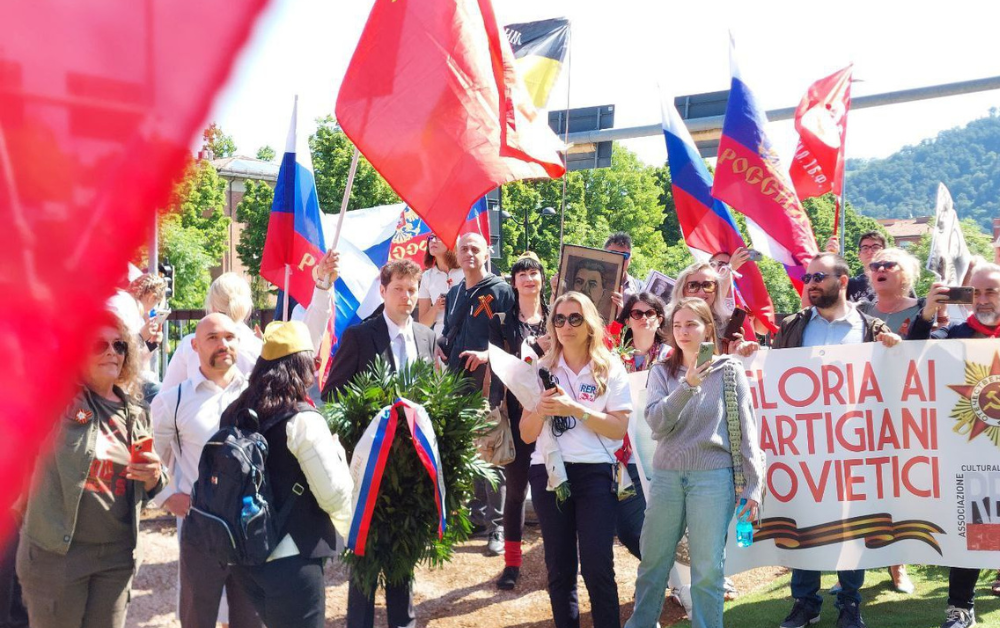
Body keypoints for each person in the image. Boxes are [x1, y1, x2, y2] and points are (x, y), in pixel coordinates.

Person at [773, 253, 900, 628]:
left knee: (853, 522)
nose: (810, 283)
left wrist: (896, 350)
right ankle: (805, 601)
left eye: (818, 276)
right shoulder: (793, 326)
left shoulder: (870, 328)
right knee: (803, 519)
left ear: (842, 282)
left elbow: (892, 379)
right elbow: (773, 377)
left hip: (854, 443)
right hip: (803, 443)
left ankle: (850, 601)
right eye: (807, 277)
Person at [16, 312, 165, 628]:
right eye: (99, 345)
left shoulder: (137, 412)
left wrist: (155, 476)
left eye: (119, 345)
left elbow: (151, 482)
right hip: (58, 556)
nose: (112, 352)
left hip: (117, 556)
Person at [627, 298, 764, 628]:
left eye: (691, 324)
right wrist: (687, 386)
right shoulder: (661, 371)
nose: (683, 332)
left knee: (708, 570)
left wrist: (754, 486)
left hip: (713, 478)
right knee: (653, 564)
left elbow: (747, 430)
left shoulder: (728, 370)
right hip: (667, 477)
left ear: (707, 329)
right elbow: (657, 423)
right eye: (677, 325)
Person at [320, 259, 437, 628]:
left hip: (412, 470)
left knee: (404, 558)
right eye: (398, 288)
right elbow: (332, 394)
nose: (406, 296)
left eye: (412, 289)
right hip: (370, 469)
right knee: (366, 563)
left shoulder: (427, 338)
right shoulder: (359, 336)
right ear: (383, 291)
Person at [222, 321, 353, 628]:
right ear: (303, 366)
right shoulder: (303, 419)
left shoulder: (233, 413)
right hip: (292, 560)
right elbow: (334, 496)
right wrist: (339, 456)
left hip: (246, 557)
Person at [520, 292, 632, 628]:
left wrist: (576, 409)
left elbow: (618, 429)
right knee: (560, 569)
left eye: (575, 318)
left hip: (596, 473)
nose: (566, 325)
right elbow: (526, 434)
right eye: (559, 319)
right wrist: (541, 409)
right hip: (548, 472)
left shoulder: (610, 367)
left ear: (590, 323)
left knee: (598, 566)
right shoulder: (539, 369)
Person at [150, 314, 261, 628]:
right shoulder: (173, 401)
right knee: (197, 618)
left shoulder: (257, 395)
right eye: (213, 338)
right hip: (201, 529)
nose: (223, 344)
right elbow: (149, 457)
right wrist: (166, 496)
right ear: (195, 346)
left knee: (250, 620)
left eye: (229, 337)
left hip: (250, 528)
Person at [907, 262, 1000, 628]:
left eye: (990, 291)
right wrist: (927, 312)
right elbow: (912, 352)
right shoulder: (956, 333)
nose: (982, 299)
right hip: (976, 453)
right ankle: (960, 608)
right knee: (979, 534)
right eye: (975, 292)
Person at [439, 232, 514, 555]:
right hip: (457, 382)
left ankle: (497, 526)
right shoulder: (455, 292)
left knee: (492, 452)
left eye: (475, 248)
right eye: (464, 249)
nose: (469, 253)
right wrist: (439, 347)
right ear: (457, 255)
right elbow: (448, 334)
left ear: (487, 253)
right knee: (468, 451)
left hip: (487, 381)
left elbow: (512, 338)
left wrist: (487, 356)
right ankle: (476, 516)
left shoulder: (500, 291)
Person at [485, 252, 550, 588]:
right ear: (513, 282)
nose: (528, 278)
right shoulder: (501, 321)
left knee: (557, 487)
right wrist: (535, 350)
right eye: (522, 274)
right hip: (516, 414)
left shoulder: (558, 317)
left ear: (542, 279)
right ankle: (511, 564)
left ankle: (560, 559)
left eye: (533, 272)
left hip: (555, 413)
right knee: (515, 490)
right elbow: (501, 365)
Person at [108, 272, 166, 400]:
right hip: (112, 380)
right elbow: (116, 349)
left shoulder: (129, 305)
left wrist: (152, 343)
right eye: (155, 304)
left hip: (120, 378)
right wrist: (141, 337)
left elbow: (136, 359)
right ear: (151, 297)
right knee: (161, 395)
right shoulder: (124, 305)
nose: (151, 310)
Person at [417, 234, 464, 331]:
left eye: (438, 237)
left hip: (467, 333)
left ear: (452, 242)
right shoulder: (427, 276)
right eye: (430, 238)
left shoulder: (466, 271)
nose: (433, 241)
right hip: (440, 336)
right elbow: (422, 324)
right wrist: (436, 307)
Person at [824, 230, 886, 303]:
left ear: (885, 252)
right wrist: (830, 257)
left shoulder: (893, 282)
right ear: (859, 255)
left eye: (875, 247)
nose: (870, 252)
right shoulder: (850, 285)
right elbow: (827, 296)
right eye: (865, 248)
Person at [605, 231, 642, 309]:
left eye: (624, 255)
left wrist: (622, 312)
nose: (619, 259)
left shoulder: (640, 288)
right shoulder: (589, 280)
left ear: (630, 259)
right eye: (614, 254)